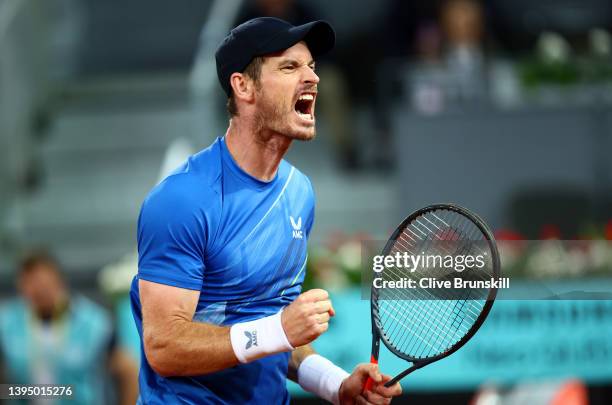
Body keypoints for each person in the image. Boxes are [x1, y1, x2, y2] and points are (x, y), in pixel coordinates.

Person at [130, 17, 402, 404]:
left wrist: (335, 384)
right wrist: (278, 330)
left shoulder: (299, 193)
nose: (312, 78)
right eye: (290, 67)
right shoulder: (182, 200)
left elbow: (273, 331)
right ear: (243, 86)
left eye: (312, 66)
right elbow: (164, 347)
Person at [0, 250, 139, 405]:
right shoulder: (7, 323)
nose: (39, 291)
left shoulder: (94, 323)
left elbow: (127, 370)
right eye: (30, 284)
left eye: (44, 283)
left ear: (59, 281)